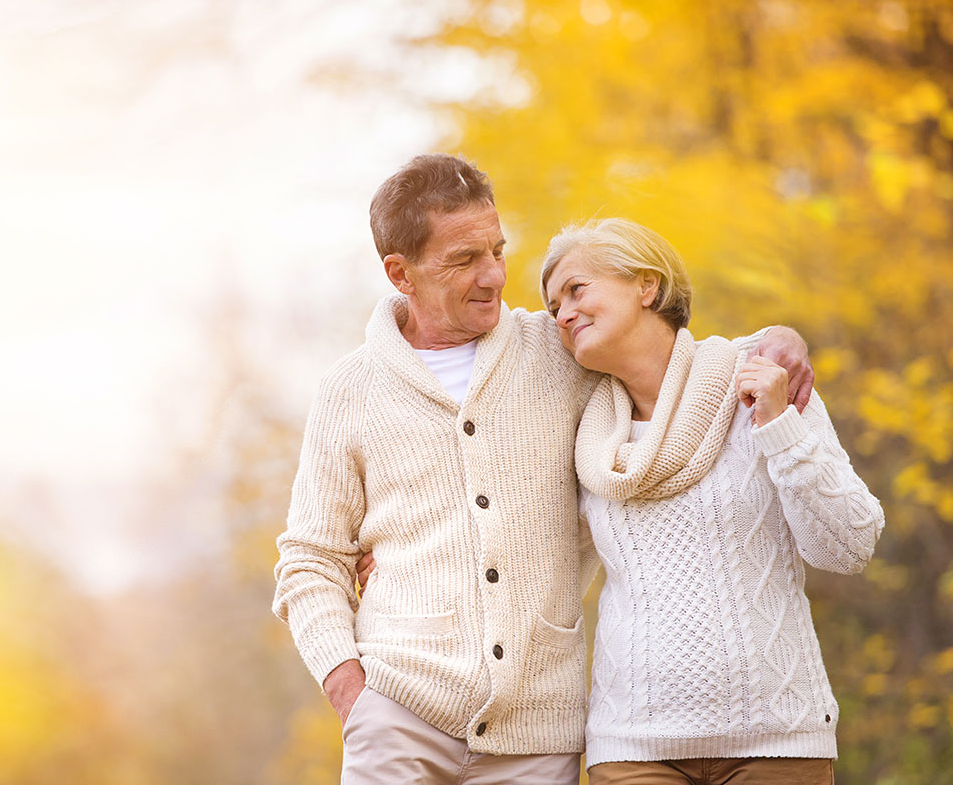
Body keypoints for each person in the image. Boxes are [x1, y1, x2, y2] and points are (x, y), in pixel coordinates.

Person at [272, 154, 812, 784]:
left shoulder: (559, 351)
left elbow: (677, 363)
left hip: (537, 733)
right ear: (401, 273)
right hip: (396, 714)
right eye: (464, 259)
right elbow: (310, 559)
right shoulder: (351, 389)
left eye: (496, 250)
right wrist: (348, 685)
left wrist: (779, 339)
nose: (494, 276)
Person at [539, 218, 884, 784]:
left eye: (577, 289)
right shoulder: (584, 438)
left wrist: (778, 427)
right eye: (553, 307)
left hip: (775, 742)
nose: (563, 314)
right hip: (631, 748)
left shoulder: (760, 383)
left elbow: (849, 546)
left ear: (646, 286)